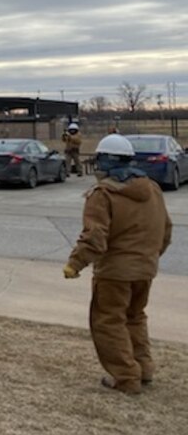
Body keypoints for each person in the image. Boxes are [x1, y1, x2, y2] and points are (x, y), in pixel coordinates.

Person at [63, 133, 173, 395]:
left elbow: (95, 237)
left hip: (115, 273)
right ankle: (143, 368)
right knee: (135, 317)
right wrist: (150, 257)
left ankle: (125, 377)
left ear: (104, 161)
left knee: (108, 321)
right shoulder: (152, 188)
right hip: (146, 269)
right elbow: (165, 229)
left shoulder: (102, 194)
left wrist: (75, 263)